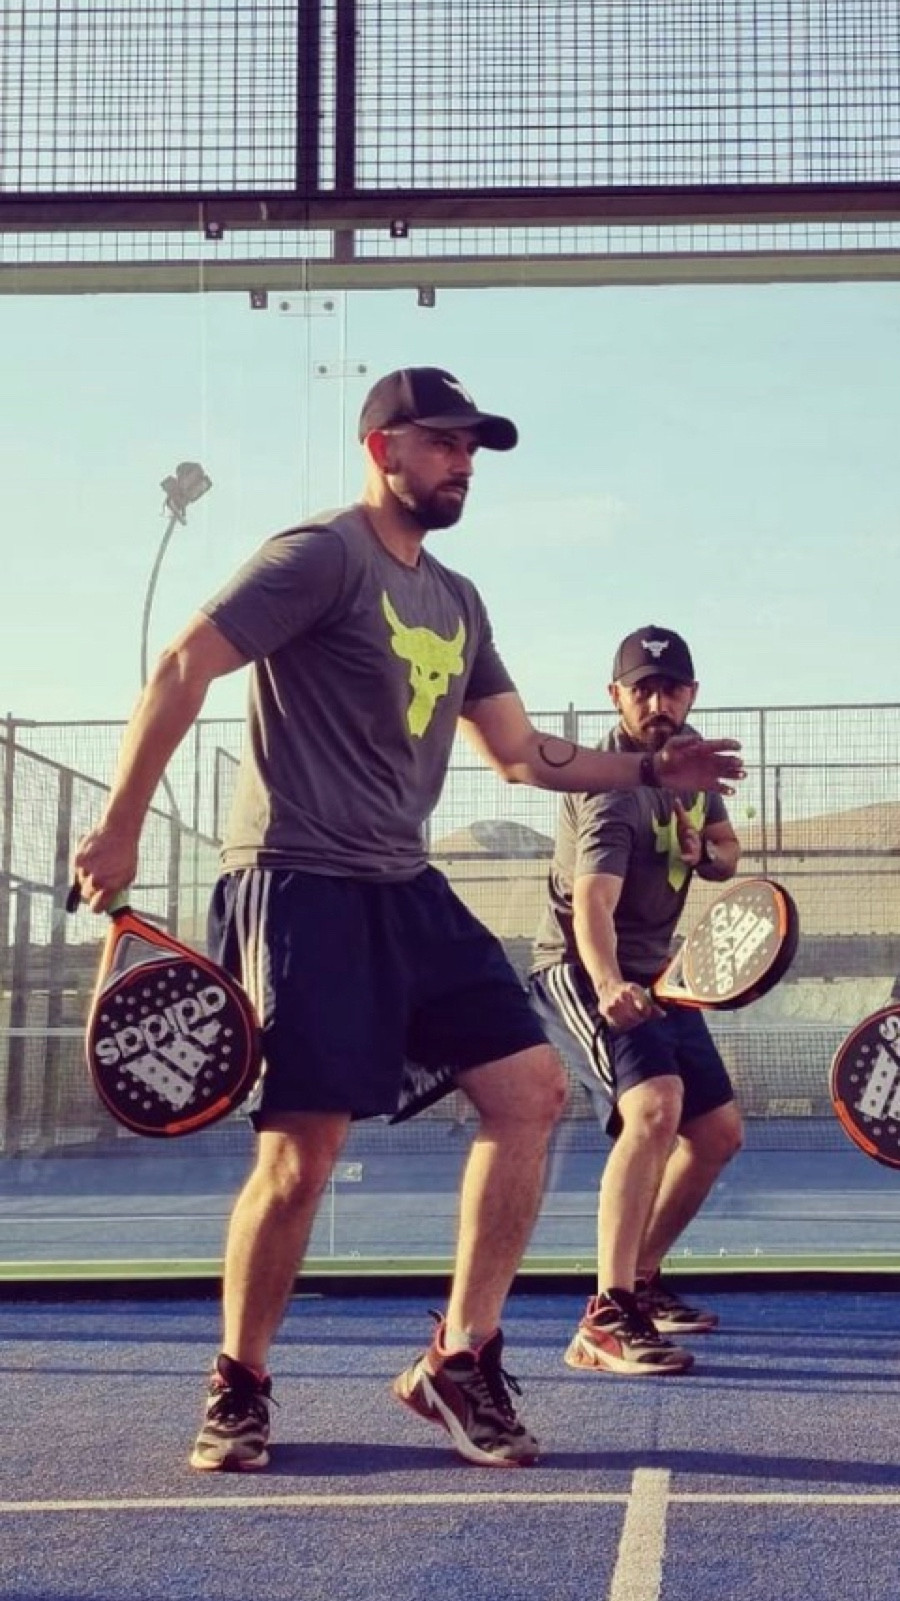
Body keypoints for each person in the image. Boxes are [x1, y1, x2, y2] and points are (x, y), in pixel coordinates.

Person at [69, 366, 743, 1475]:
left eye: (472, 448)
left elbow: (522, 754)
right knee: (303, 1156)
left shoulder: (459, 601)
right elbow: (185, 662)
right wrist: (122, 823)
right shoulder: (320, 556)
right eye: (443, 443)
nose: (463, 463)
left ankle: (459, 1358)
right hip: (298, 881)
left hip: (402, 884)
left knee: (531, 1091)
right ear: (382, 448)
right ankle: (240, 1380)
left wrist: (649, 767)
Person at [527, 625, 745, 1375]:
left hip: (660, 974)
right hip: (583, 970)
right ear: (615, 696)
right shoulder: (612, 788)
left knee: (716, 1133)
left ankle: (642, 1281)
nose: (658, 703)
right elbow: (592, 903)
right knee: (654, 1107)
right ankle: (606, 1317)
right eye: (642, 690)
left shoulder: (694, 768)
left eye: (670, 688)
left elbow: (728, 851)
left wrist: (703, 854)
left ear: (692, 694)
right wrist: (609, 983)